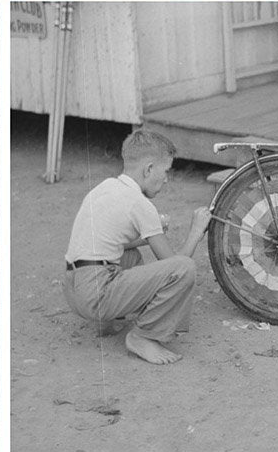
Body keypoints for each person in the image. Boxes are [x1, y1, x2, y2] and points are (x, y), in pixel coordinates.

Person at [62, 129, 212, 365]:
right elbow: (175, 264)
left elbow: (105, 242)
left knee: (128, 254)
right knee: (185, 268)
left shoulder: (104, 188)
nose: (166, 179)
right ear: (149, 169)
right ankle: (143, 336)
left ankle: (106, 323)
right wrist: (196, 230)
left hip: (73, 289)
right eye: (165, 171)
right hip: (95, 295)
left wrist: (146, 236)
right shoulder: (140, 204)